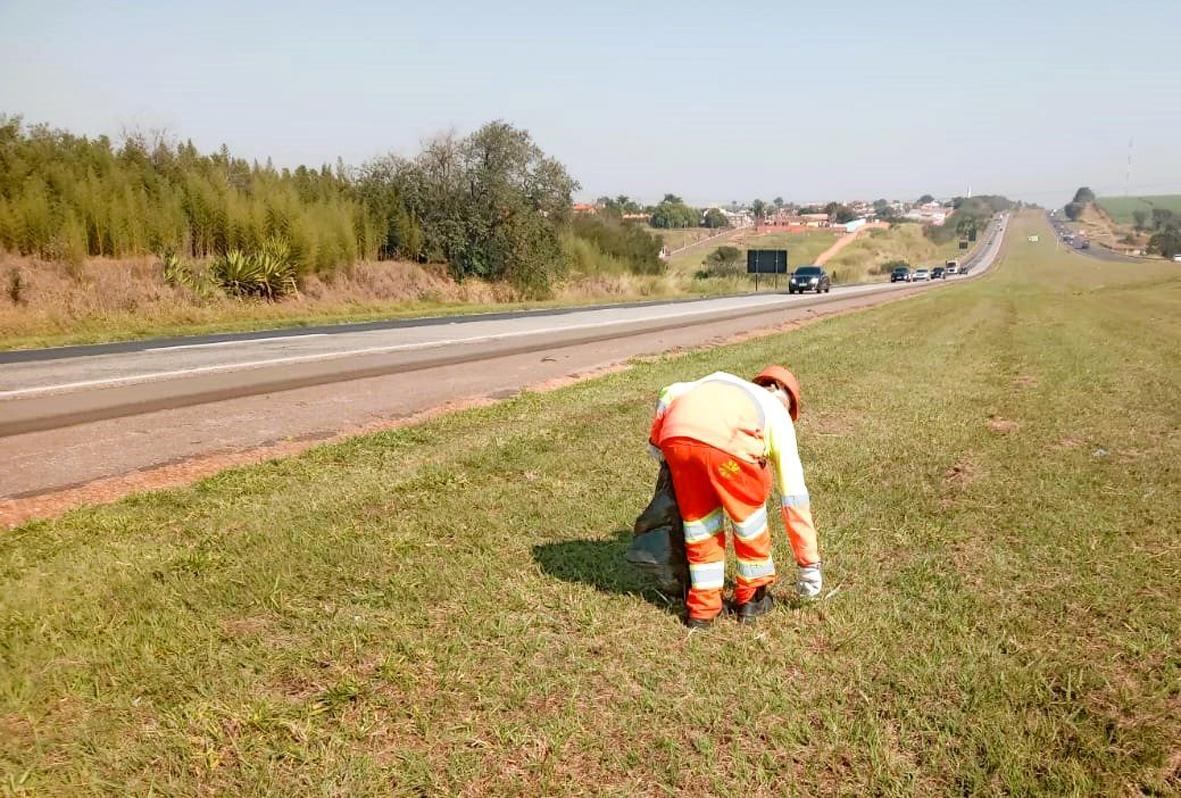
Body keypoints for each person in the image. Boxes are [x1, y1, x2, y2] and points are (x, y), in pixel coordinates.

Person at [648, 365, 822, 628]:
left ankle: (702, 610)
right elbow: (794, 497)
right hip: (729, 453)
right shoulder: (778, 416)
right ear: (787, 403)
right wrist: (809, 565)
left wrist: (655, 441)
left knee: (699, 524)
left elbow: (669, 392)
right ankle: (752, 598)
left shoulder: (721, 380)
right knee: (749, 519)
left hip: (677, 440)